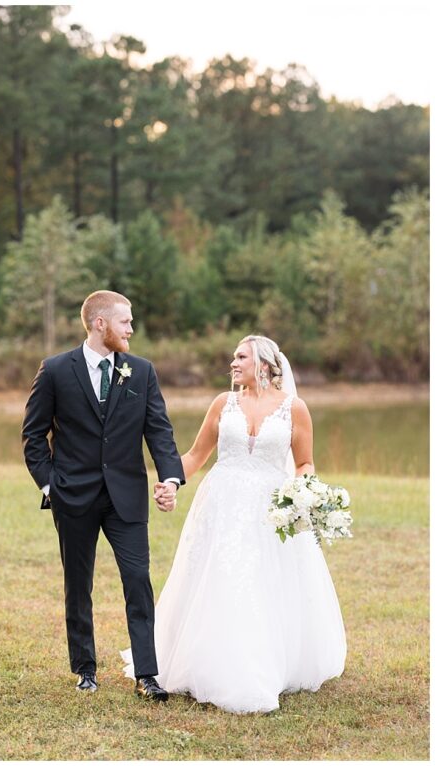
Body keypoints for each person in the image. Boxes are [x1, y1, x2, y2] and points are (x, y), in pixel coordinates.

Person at [123, 335, 346, 713]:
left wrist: (304, 491)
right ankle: (209, 661)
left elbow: (305, 461)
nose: (233, 362)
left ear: (263, 363)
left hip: (271, 511)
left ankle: (260, 666)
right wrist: (172, 481)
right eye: (233, 356)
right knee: (220, 577)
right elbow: (195, 455)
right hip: (222, 505)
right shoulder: (222, 403)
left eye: (240, 356)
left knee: (261, 582)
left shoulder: (295, 408)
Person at [22, 290, 184, 701]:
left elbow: (159, 431)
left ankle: (147, 675)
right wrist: (50, 485)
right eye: (125, 321)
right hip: (72, 496)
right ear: (100, 323)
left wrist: (171, 478)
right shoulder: (57, 370)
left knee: (137, 580)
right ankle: (85, 669)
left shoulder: (142, 372)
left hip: (126, 496)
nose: (131, 328)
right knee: (78, 584)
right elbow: (33, 435)